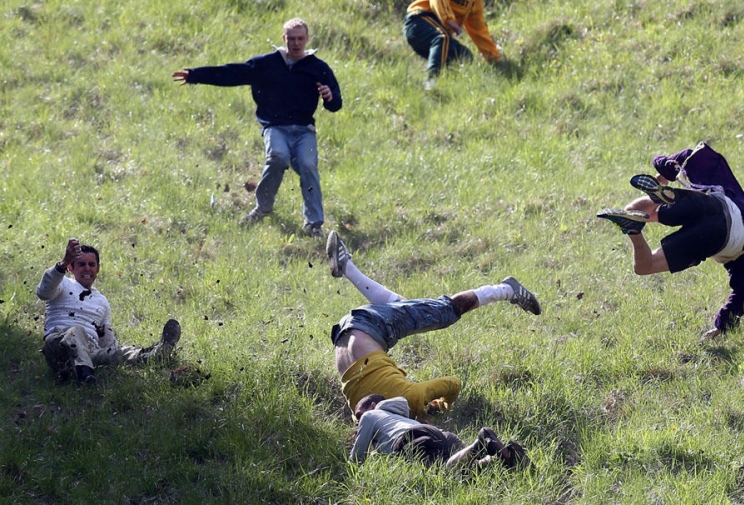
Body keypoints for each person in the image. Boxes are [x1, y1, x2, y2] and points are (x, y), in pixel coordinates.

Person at [326, 231, 541, 420]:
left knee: (445, 311)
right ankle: (347, 268)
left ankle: (506, 289)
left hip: (369, 326)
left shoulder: (412, 399)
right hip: (345, 338)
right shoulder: (361, 416)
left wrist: (441, 408)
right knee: (408, 309)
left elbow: (453, 384)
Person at [597, 142, 744, 340]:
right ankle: (644, 218)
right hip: (717, 236)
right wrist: (723, 325)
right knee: (645, 267)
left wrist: (664, 172)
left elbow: (690, 154)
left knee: (640, 212)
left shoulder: (734, 196)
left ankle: (658, 199)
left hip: (709, 203)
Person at [173, 18, 343, 237]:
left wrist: (330, 97)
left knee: (308, 166)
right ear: (284, 39)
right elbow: (232, 73)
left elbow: (336, 104)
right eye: (291, 38)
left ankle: (314, 224)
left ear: (307, 39)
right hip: (275, 127)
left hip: (304, 130)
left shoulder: (318, 68)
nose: (296, 43)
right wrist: (195, 75)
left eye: (300, 38)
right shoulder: (267, 64)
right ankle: (263, 208)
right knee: (278, 156)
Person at [37, 238, 182, 384]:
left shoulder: (101, 301)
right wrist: (63, 263)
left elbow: (106, 340)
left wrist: (115, 352)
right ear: (71, 268)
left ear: (98, 268)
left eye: (91, 264)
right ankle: (84, 373)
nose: (87, 268)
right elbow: (43, 292)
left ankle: (155, 354)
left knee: (119, 352)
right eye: (81, 264)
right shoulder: (62, 283)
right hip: (59, 346)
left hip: (89, 352)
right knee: (76, 331)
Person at [349, 394, 528, 469]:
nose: (358, 421)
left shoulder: (371, 415)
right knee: (466, 470)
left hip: (412, 438)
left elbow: (357, 458)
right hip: (439, 433)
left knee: (444, 472)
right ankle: (504, 456)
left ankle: (480, 443)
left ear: (372, 406)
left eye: (358, 415)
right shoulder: (399, 418)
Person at [403, 0, 503, 85]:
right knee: (443, 38)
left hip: (436, 33)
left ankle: (449, 87)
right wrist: (448, 19)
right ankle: (431, 81)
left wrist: (494, 58)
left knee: (464, 56)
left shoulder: (474, 3)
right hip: (418, 20)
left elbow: (479, 31)